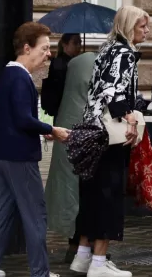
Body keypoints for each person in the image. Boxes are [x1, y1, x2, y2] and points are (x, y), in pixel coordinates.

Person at [0, 22, 71, 277]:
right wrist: (52, 130)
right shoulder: (19, 77)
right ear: (27, 48)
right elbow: (22, 119)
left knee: (0, 219)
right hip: (19, 157)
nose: (48, 54)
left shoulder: (8, 74)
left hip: (1, 155)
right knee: (36, 217)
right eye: (44, 48)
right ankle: (40, 273)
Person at [69, 6, 151, 277]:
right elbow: (113, 91)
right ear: (129, 27)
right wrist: (129, 119)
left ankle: (82, 256)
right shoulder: (124, 53)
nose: (146, 31)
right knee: (109, 195)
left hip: (92, 130)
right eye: (142, 26)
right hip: (110, 134)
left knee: (92, 195)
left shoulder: (106, 49)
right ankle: (99, 263)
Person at [46, 47, 97, 262]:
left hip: (65, 131)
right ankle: (82, 247)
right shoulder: (90, 70)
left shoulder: (71, 69)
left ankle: (75, 246)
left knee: (70, 190)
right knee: (84, 192)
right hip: (82, 135)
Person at [43, 33, 82, 119]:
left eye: (80, 42)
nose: (79, 46)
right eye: (75, 43)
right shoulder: (59, 62)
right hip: (63, 108)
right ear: (65, 44)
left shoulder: (75, 61)